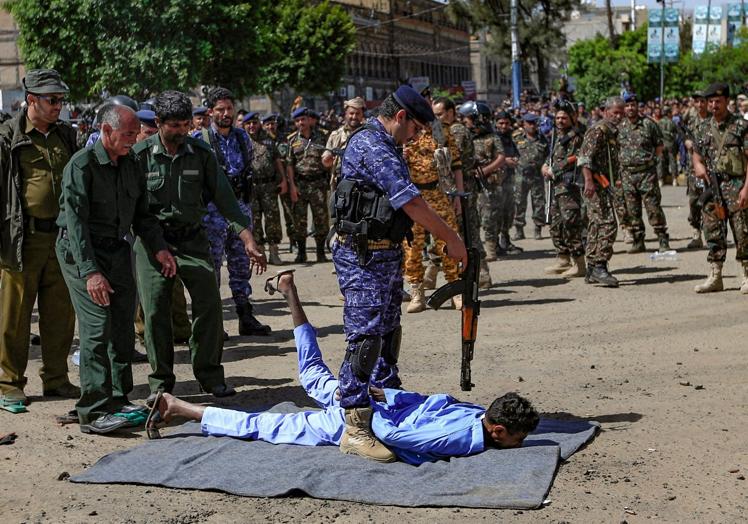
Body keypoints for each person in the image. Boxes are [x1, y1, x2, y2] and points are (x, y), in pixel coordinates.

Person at [149, 271, 539, 465]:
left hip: (369, 404)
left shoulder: (476, 415)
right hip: (358, 419)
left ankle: (290, 293)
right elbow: (404, 439)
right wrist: (366, 416)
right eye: (516, 440)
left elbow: (429, 404)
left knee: (312, 375)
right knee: (265, 427)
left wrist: (384, 397)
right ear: (498, 430)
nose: (516, 447)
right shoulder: (458, 438)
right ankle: (181, 408)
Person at [331, 86, 468, 461]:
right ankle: (355, 427)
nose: (419, 136)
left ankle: (386, 399)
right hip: (361, 256)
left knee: (388, 330)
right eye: (417, 128)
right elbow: (409, 200)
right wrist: (450, 238)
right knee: (365, 336)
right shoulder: (372, 144)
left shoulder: (389, 144)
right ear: (402, 116)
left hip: (385, 252)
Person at [132, 90, 267, 400]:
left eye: (184, 125)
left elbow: (225, 199)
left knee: (209, 305)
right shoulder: (139, 156)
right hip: (154, 243)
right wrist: (156, 246)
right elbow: (135, 212)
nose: (182, 132)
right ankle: (161, 383)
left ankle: (210, 375)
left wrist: (247, 238)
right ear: (159, 123)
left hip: (192, 239)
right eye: (174, 126)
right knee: (155, 312)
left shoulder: (201, 153)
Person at [56, 104, 177, 434]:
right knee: (97, 326)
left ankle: (118, 398)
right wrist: (90, 272)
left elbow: (143, 214)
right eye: (128, 134)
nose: (134, 139)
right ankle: (93, 411)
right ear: (106, 132)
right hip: (81, 252)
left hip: (116, 249)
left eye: (136, 133)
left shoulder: (131, 163)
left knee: (123, 323)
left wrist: (159, 248)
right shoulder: (81, 166)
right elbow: (76, 225)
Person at [0, 69, 79, 405]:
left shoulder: (65, 135)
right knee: (14, 315)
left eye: (61, 99)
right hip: (22, 238)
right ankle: (9, 383)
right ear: (31, 100)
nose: (58, 105)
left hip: (60, 239)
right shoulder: (8, 137)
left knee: (60, 314)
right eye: (52, 100)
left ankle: (57, 379)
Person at [196, 87, 270, 336]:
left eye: (229, 109)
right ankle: (214, 322)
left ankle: (245, 315)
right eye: (220, 109)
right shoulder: (201, 140)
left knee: (240, 266)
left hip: (240, 210)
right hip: (212, 214)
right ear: (210, 112)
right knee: (213, 268)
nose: (226, 114)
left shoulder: (241, 138)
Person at [402, 101, 463, 313]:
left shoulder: (443, 132)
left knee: (447, 242)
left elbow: (456, 164)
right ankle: (417, 292)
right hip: (414, 197)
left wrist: (457, 195)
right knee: (412, 247)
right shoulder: (408, 133)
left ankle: (455, 290)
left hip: (439, 194)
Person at [692, 83, 748, 293]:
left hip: (736, 185)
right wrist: (698, 166)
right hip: (712, 188)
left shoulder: (741, 126)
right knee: (713, 231)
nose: (714, 105)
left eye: (718, 101)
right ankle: (716, 275)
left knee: (742, 231)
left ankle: (746, 274)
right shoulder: (703, 127)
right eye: (711, 101)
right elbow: (696, 154)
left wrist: (746, 189)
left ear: (727, 101)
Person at [434, 97, 492, 289]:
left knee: (468, 228)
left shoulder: (456, 130)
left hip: (463, 187)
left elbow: (451, 158)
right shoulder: (442, 130)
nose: (437, 118)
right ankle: (435, 271)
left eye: (440, 114)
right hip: (451, 187)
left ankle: (481, 271)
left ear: (450, 112)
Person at [577, 97, 624, 288]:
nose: (618, 116)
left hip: (603, 184)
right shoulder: (598, 131)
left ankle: (591, 268)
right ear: (605, 112)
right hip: (594, 184)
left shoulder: (612, 132)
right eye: (615, 112)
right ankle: (600, 265)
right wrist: (589, 181)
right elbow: (584, 159)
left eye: (621, 112)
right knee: (608, 223)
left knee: (596, 225)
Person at [617, 93, 670, 254]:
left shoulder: (648, 124)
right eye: (627, 105)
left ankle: (662, 239)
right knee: (632, 210)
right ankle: (638, 240)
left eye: (633, 105)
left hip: (647, 174)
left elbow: (659, 146)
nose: (630, 108)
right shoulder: (619, 126)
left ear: (637, 106)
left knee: (653, 208)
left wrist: (652, 162)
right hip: (627, 175)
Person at [463, 102, 514, 261]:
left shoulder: (492, 138)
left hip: (488, 184)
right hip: (470, 184)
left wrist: (485, 171)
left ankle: (491, 248)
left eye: (470, 118)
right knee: (473, 218)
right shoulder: (466, 137)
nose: (466, 121)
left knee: (489, 217)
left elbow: (501, 158)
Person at [542, 100, 586, 278]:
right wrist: (545, 166)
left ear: (572, 118)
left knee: (571, 224)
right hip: (556, 187)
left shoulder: (576, 135)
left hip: (570, 186)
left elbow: (577, 156)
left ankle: (580, 263)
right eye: (558, 117)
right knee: (556, 224)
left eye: (564, 118)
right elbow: (552, 157)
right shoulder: (557, 136)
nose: (560, 121)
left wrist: (556, 168)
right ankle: (563, 258)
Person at [286, 107, 330, 263]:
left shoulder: (322, 137)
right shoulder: (292, 140)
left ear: (308, 120)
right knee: (300, 220)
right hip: (301, 184)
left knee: (321, 219)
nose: (300, 123)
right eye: (297, 121)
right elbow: (290, 165)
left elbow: (328, 160)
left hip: (318, 183)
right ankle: (302, 253)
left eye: (302, 120)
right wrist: (292, 186)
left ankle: (320, 252)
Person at [243, 111, 285, 266]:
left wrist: (284, 180)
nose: (252, 126)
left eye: (254, 123)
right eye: (248, 124)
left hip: (269, 186)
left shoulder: (268, 140)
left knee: (272, 218)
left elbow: (277, 161)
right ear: (244, 125)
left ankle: (274, 252)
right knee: (254, 219)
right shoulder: (241, 141)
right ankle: (259, 252)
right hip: (251, 187)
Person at [512, 113, 548, 241]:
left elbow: (548, 157)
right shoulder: (516, 138)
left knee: (538, 203)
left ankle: (538, 229)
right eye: (529, 123)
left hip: (537, 176)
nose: (532, 126)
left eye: (534, 123)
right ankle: (519, 230)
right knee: (519, 203)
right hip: (520, 175)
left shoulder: (543, 140)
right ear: (524, 124)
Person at [682, 91, 710, 249]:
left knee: (710, 200)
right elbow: (684, 134)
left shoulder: (713, 119)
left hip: (711, 166)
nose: (700, 105)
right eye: (697, 102)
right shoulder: (691, 119)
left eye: (702, 101)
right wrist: (686, 141)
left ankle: (711, 234)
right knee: (694, 200)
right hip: (694, 167)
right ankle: (696, 232)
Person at [323, 97, 365, 190]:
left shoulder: (369, 135)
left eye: (357, 114)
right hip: (340, 185)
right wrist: (328, 160)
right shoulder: (336, 135)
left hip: (363, 187)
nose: (354, 117)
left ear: (362, 115)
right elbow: (326, 162)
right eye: (351, 113)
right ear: (345, 114)